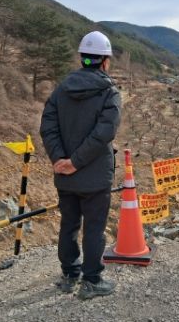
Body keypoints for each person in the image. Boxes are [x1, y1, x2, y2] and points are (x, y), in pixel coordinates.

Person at [40, 30, 121, 299]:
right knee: (94, 228)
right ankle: (92, 280)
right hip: (95, 177)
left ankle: (69, 275)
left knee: (69, 225)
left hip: (65, 176)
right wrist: (76, 162)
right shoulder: (109, 92)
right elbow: (103, 134)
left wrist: (60, 160)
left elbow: (48, 127)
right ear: (105, 61)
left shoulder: (61, 90)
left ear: (82, 57)